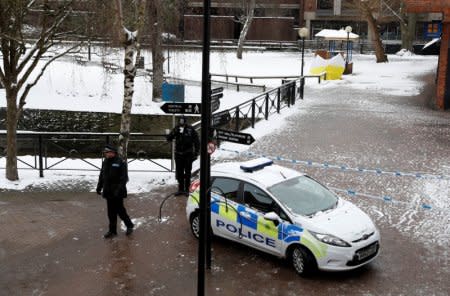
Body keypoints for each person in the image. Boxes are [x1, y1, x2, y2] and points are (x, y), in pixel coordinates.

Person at [96, 144, 134, 239]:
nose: (106, 154)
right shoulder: (105, 162)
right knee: (110, 212)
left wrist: (118, 190)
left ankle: (129, 225)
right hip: (108, 191)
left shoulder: (120, 161)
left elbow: (124, 178)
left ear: (113, 152)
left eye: (107, 152)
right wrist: (99, 186)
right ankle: (112, 231)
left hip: (117, 192)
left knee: (120, 211)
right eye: (105, 153)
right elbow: (102, 175)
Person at [166, 116, 200, 196]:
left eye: (182, 121)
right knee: (179, 172)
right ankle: (180, 189)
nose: (181, 122)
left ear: (185, 121)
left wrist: (196, 153)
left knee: (187, 173)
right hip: (178, 154)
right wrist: (174, 132)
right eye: (180, 121)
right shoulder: (176, 128)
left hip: (188, 154)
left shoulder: (191, 129)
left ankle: (187, 189)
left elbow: (197, 141)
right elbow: (169, 138)